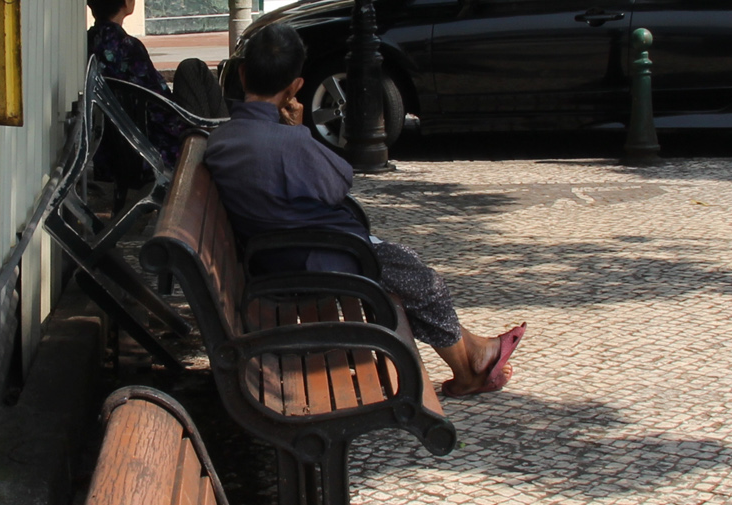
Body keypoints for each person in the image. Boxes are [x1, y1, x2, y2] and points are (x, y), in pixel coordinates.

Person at [203, 23, 525, 396]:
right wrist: (297, 130)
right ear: (295, 86)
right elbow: (339, 182)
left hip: (282, 254)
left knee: (407, 271)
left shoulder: (222, 139)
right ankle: (469, 369)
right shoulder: (287, 142)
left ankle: (477, 352)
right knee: (423, 281)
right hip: (317, 257)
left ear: (243, 74)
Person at [86, 0, 220, 181]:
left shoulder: (87, 43)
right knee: (192, 69)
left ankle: (223, 133)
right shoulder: (128, 48)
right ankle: (224, 138)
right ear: (126, 0)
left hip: (109, 155)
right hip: (148, 151)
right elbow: (161, 107)